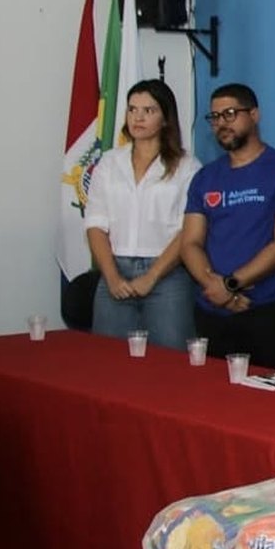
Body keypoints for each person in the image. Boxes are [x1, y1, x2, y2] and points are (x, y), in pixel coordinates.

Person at [181, 84, 275, 369]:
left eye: (230, 114)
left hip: (266, 308)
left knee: (265, 392)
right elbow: (190, 243)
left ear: (254, 115)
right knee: (212, 392)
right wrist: (215, 288)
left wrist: (231, 285)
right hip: (212, 309)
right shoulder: (205, 177)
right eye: (215, 117)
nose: (222, 123)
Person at [84, 80, 200, 350]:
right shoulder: (109, 163)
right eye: (132, 109)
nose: (138, 117)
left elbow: (188, 230)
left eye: (149, 110)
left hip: (168, 274)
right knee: (109, 359)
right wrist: (112, 276)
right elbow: (95, 224)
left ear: (165, 118)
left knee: (169, 361)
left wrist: (152, 276)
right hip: (115, 270)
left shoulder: (187, 166)